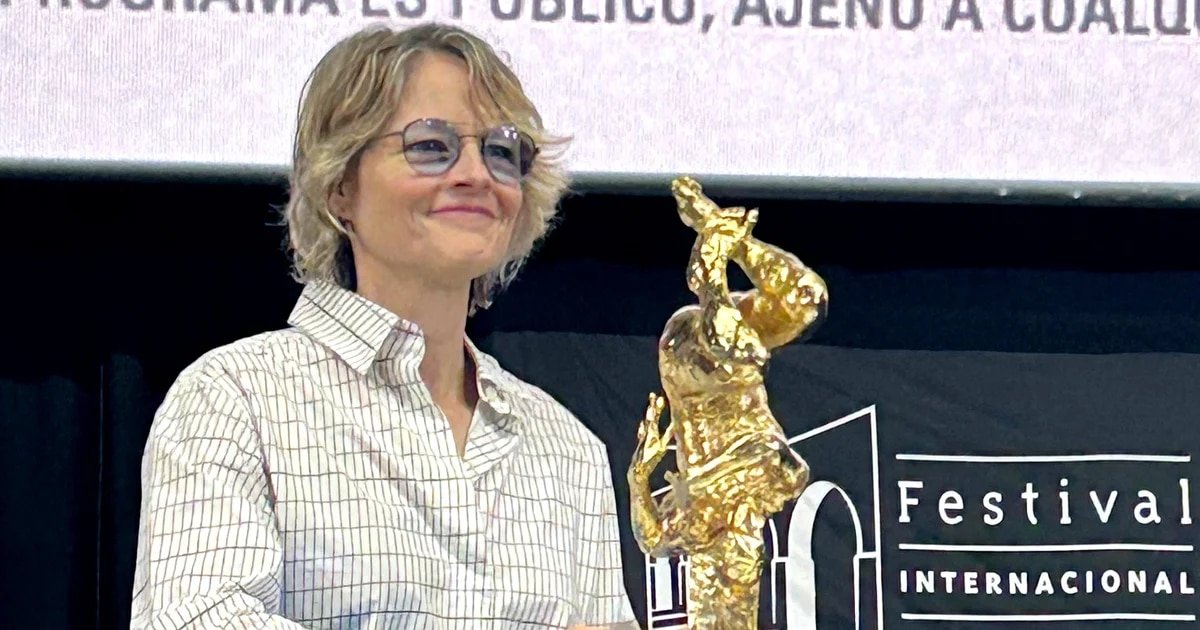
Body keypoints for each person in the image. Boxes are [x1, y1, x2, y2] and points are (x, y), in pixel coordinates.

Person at [130, 22, 638, 629]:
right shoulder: (234, 399)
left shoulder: (567, 447)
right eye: (431, 145)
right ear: (339, 186)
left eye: (502, 152)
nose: (476, 174)